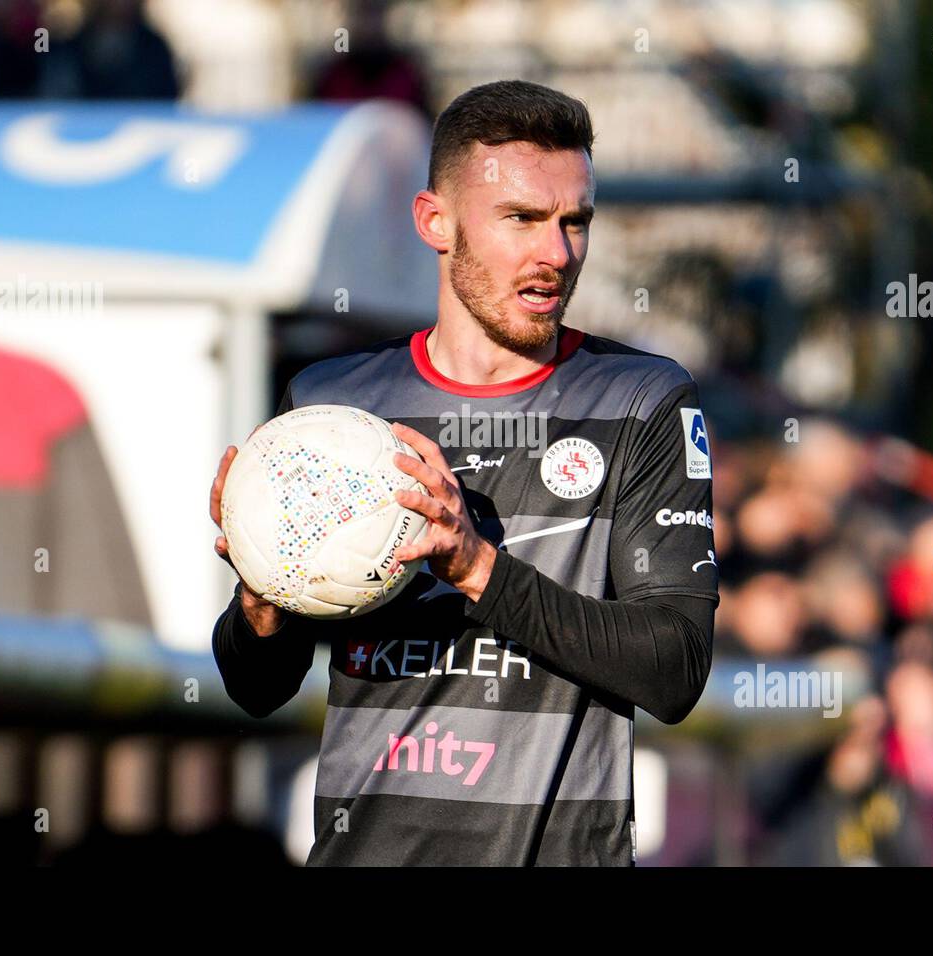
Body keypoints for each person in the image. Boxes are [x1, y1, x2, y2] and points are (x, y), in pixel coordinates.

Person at [209, 80, 719, 866]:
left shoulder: (641, 400)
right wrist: (261, 593)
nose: (556, 254)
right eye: (522, 218)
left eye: (574, 222)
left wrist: (478, 568)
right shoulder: (335, 406)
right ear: (435, 222)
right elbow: (258, 685)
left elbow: (674, 666)